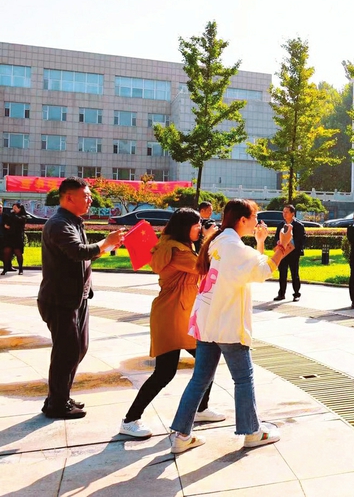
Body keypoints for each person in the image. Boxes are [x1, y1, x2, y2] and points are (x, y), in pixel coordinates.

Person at [167, 199, 293, 454]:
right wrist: (281, 247)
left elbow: (251, 267)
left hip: (208, 322)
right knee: (243, 378)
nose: (257, 221)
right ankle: (252, 432)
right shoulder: (233, 247)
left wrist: (260, 242)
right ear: (242, 220)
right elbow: (262, 271)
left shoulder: (218, 242)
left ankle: (181, 435)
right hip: (227, 323)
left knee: (200, 379)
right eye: (254, 216)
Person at [119, 209, 224, 438]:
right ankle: (130, 420)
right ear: (185, 227)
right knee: (165, 372)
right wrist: (210, 239)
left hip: (180, 313)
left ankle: (201, 408)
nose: (200, 229)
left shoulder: (174, 245)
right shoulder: (177, 251)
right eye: (197, 225)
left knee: (207, 360)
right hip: (172, 315)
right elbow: (204, 268)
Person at [37, 177, 126, 419]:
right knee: (66, 352)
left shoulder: (74, 222)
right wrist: (105, 242)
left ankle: (59, 397)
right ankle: (57, 404)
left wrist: (107, 247)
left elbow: (83, 256)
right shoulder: (59, 224)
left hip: (77, 297)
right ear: (68, 197)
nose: (90, 200)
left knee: (78, 348)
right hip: (60, 299)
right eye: (85, 196)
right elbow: (77, 252)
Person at [274, 205, 306, 302]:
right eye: (283, 212)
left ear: (292, 213)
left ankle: (296, 294)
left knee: (294, 274)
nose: (284, 214)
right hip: (282, 253)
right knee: (282, 274)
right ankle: (281, 294)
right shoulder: (280, 225)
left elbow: (301, 240)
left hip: (293, 254)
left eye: (286, 212)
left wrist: (293, 246)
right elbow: (276, 237)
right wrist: (278, 242)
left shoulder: (299, 226)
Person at [2, 203, 27, 275]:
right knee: (6, 252)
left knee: (18, 253)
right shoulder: (11, 215)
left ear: (19, 208)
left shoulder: (23, 216)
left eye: (15, 208)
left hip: (17, 237)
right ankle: (5, 268)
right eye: (13, 208)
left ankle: (20, 269)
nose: (14, 209)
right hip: (9, 237)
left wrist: (11, 224)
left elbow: (19, 221)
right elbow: (7, 223)